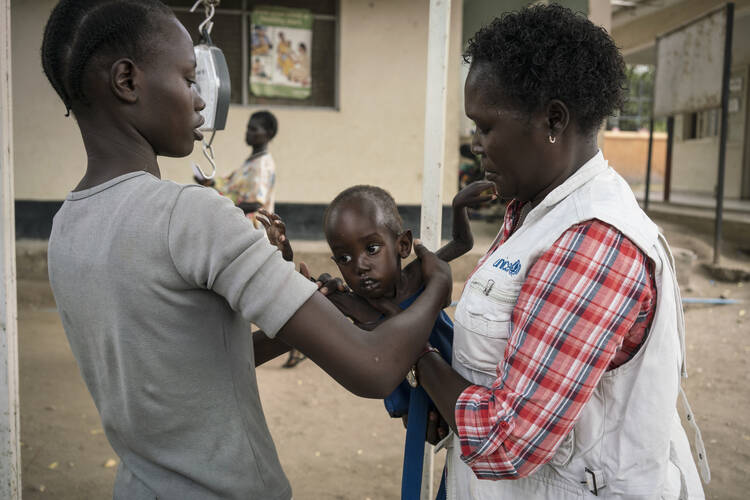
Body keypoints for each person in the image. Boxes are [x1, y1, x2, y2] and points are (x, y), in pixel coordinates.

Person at [40, 1, 452, 498]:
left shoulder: (66, 226)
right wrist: (436, 288)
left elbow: (193, 368)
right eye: (189, 78)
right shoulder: (188, 215)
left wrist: (297, 313)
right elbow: (374, 368)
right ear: (127, 81)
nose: (199, 101)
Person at [408, 5, 710, 499]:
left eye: (484, 128)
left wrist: (417, 356)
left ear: (552, 119)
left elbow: (504, 441)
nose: (475, 146)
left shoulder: (594, 242)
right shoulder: (535, 211)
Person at [259, 181, 497, 499]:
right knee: (423, 429)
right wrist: (284, 260)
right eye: (344, 258)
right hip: (409, 395)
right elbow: (305, 300)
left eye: (372, 249)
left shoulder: (417, 277)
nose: (359, 266)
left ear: (402, 245)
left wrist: (457, 207)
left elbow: (461, 243)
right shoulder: (350, 299)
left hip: (454, 378)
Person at [195, 110, 277, 228]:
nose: (248, 132)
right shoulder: (252, 162)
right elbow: (232, 188)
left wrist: (225, 207)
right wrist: (209, 182)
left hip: (252, 233)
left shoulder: (262, 165)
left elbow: (255, 204)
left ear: (269, 134)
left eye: (254, 129)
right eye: (248, 128)